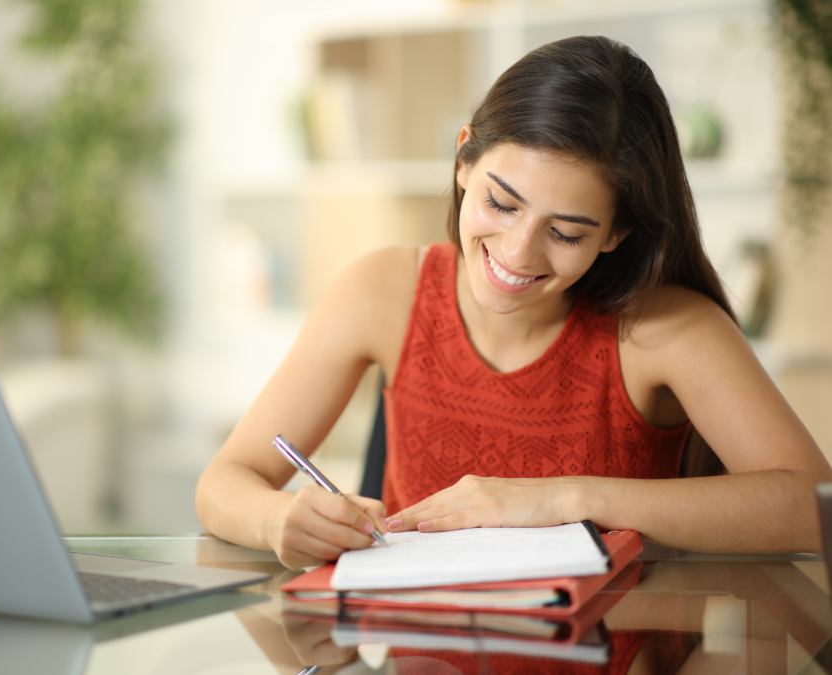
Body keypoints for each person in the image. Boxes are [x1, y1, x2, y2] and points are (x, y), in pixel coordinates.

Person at [195, 36, 832, 571]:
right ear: (463, 158)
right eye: (502, 203)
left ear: (615, 234)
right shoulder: (382, 291)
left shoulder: (663, 328)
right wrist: (281, 519)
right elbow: (228, 480)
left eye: (567, 232)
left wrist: (567, 498)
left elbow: (812, 506)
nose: (518, 254)